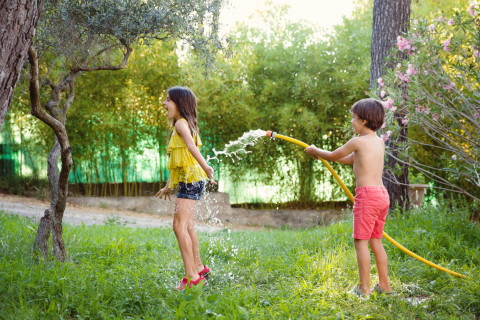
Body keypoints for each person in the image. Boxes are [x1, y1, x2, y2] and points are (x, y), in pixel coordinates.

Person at [305, 98, 393, 297]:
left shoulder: (357, 141)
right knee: (376, 241)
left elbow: (335, 155)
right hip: (382, 196)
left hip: (368, 197)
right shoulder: (378, 142)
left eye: (353, 118)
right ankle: (385, 286)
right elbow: (348, 159)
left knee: (361, 242)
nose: (351, 122)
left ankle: (363, 289)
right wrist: (323, 155)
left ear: (363, 121)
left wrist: (315, 150)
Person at [155, 86, 216, 290]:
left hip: (192, 180)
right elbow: (181, 161)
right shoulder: (183, 124)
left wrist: (206, 167)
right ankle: (198, 267)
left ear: (179, 103)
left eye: (168, 100)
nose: (164, 103)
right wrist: (167, 186)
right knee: (188, 225)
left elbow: (191, 149)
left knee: (179, 225)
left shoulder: (181, 124)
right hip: (191, 180)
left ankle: (191, 276)